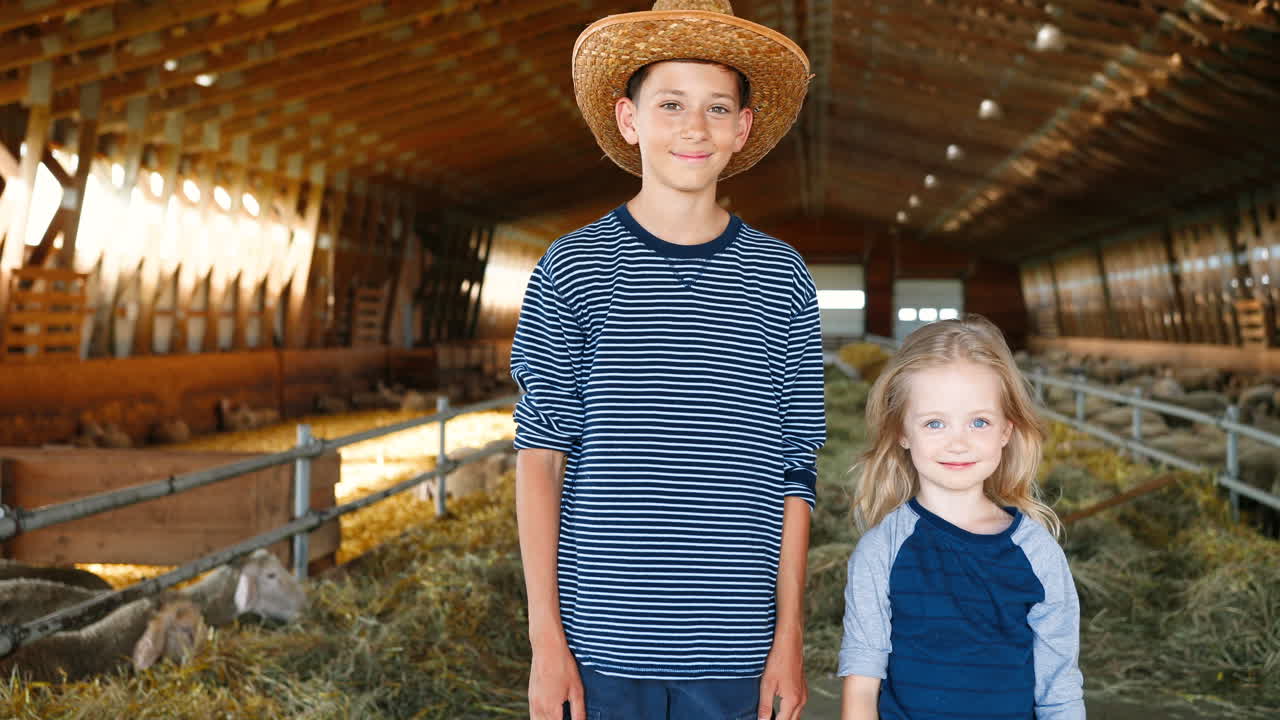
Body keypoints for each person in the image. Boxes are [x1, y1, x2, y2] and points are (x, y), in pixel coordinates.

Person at [510, 2, 823, 719]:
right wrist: (546, 643)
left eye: (718, 107)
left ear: (742, 127)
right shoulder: (572, 269)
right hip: (601, 643)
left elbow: (796, 467)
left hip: (736, 647)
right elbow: (541, 456)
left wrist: (789, 638)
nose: (695, 127)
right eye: (671, 104)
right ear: (629, 119)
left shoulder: (782, 278)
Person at [838, 315, 1085, 720]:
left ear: (1006, 430)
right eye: (935, 423)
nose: (958, 443)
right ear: (902, 432)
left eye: (979, 422)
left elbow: (1059, 688)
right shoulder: (882, 550)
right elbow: (862, 684)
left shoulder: (1037, 553)